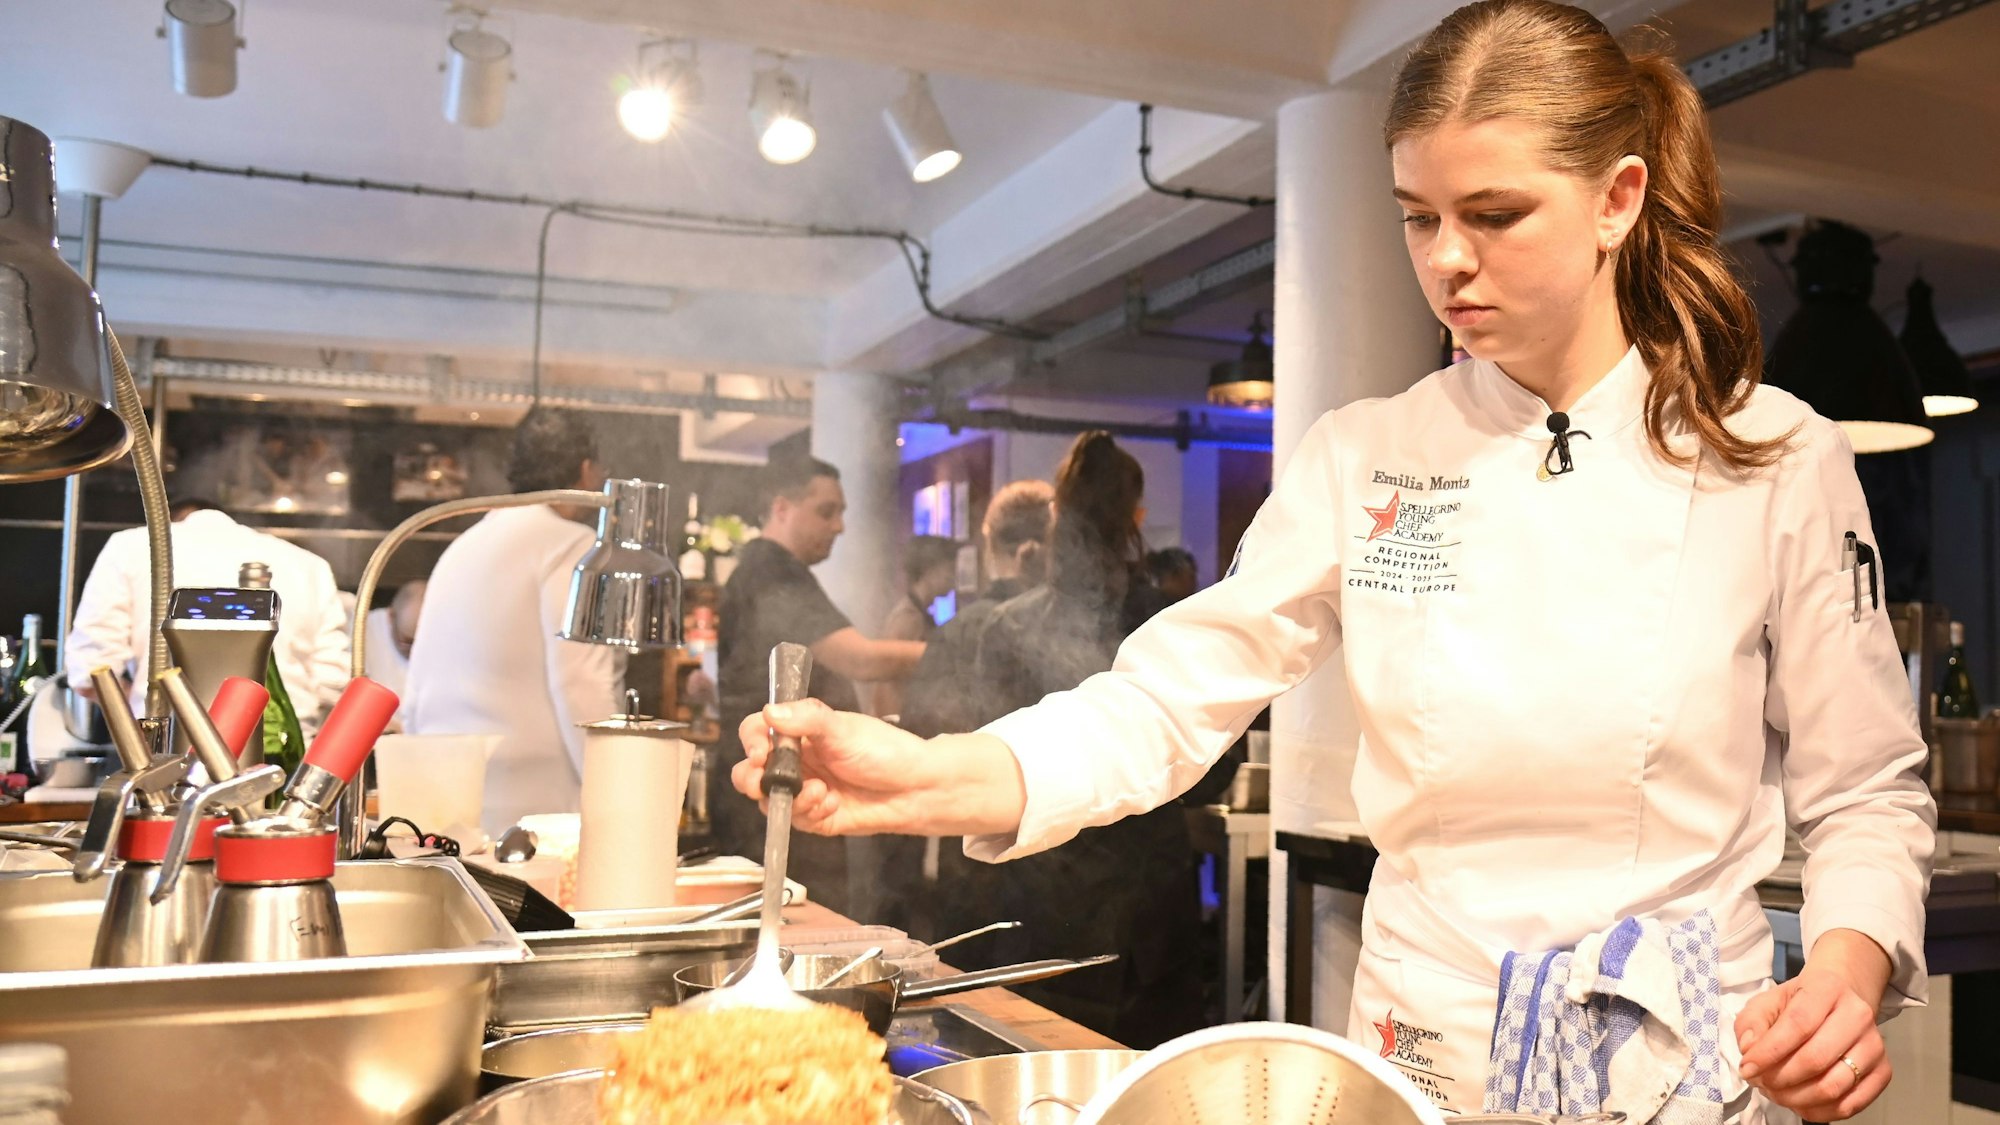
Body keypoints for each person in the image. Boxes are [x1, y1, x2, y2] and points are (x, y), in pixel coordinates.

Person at [732, 4, 1935, 1121]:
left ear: (1617, 197)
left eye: (1493, 214)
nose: (1444, 260)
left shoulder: (1772, 453)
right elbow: (1164, 701)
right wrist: (935, 770)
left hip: (1683, 1056)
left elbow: (1865, 789)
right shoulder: (1370, 456)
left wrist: (1842, 965)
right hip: (1427, 1045)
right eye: (1417, 215)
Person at [954, 433, 1204, 1046]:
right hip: (1147, 908)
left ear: (1057, 515)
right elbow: (1217, 766)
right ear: (1136, 518)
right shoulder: (1165, 621)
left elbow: (987, 755)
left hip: (1041, 897)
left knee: (1039, 1072)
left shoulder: (1005, 627)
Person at [713, 455, 926, 914]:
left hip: (776, 786)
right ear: (782, 507)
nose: (840, 526)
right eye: (827, 511)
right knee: (794, 928)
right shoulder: (773, 569)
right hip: (776, 788)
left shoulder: (761, 568)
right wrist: (951, 653)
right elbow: (859, 658)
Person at [404, 408, 624, 836]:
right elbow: (581, 683)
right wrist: (617, 796)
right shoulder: (574, 546)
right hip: (537, 812)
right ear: (585, 469)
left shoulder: (463, 546)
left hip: (444, 801)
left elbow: (415, 692)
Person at [65, 496, 349, 727]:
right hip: (283, 751)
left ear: (171, 522)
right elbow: (332, 682)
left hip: (167, 752)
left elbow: (90, 670)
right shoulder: (309, 564)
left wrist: (140, 713)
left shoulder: (129, 546)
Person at [870, 535, 960, 719]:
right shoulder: (908, 618)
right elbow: (888, 679)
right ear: (929, 570)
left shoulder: (919, 614)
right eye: (949, 570)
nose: (954, 578)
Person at [362, 579, 425, 721]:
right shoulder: (363, 632)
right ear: (390, 617)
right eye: (408, 642)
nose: (415, 652)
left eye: (422, 644)